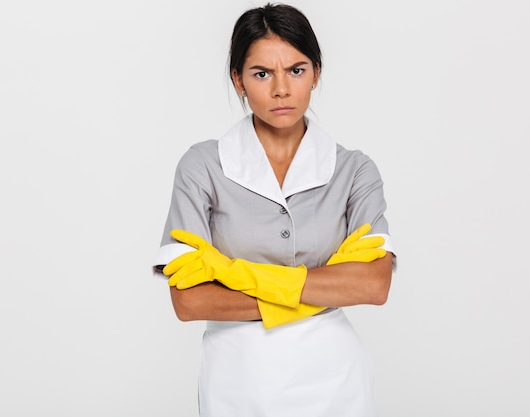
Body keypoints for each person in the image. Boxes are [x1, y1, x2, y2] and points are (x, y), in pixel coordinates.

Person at [153, 3, 395, 416]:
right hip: (239, 378)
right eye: (261, 73)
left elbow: (373, 286)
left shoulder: (354, 170)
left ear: (316, 73)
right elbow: (189, 301)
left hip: (334, 379)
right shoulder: (204, 166)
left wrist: (230, 274)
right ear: (239, 80)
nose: (281, 89)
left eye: (296, 70)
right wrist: (325, 284)